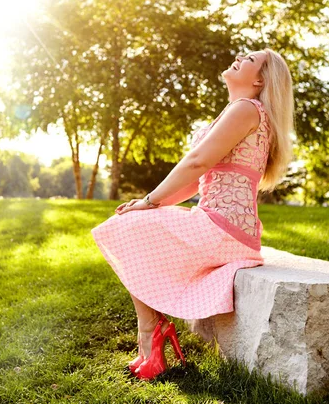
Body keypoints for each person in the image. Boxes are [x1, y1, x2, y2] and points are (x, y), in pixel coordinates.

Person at [91, 48, 295, 380]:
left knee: (128, 228)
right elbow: (198, 180)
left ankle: (150, 334)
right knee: (131, 225)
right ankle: (152, 337)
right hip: (225, 226)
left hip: (224, 228)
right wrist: (154, 205)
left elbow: (197, 161)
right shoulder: (240, 111)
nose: (240, 57)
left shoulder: (246, 109)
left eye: (251, 59)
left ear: (259, 80)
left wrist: (149, 200)